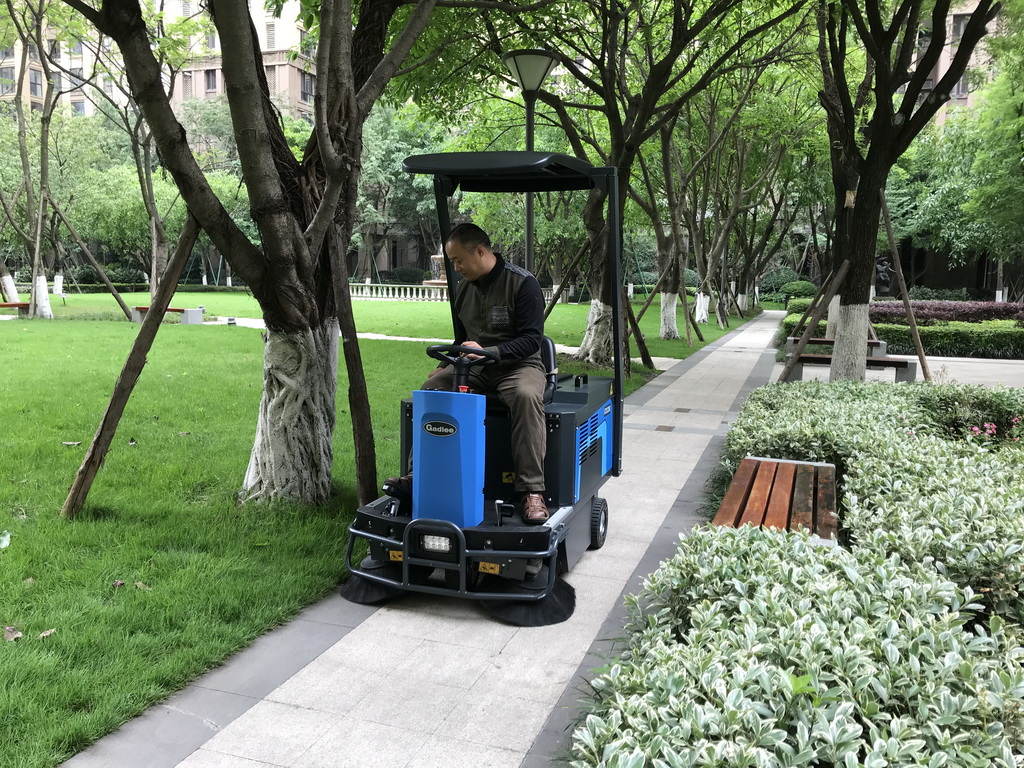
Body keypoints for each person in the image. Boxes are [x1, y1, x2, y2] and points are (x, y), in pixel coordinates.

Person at [387, 223, 549, 524]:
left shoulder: (523, 284)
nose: (456, 268)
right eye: (452, 262)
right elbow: (462, 337)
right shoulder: (463, 290)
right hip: (474, 367)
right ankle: (417, 476)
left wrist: (491, 352)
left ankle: (531, 490)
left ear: (480, 251)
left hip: (519, 366)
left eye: (458, 260)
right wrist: (442, 366)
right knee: (432, 388)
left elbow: (531, 340)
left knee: (526, 396)